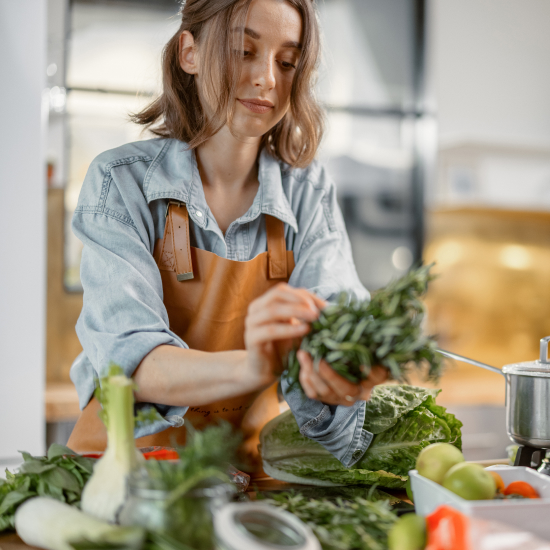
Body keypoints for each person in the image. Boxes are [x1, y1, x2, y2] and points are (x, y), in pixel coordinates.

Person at [67, 0, 387, 471]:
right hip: (128, 479)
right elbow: (129, 361)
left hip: (247, 476)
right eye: (243, 51)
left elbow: (337, 312)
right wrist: (255, 366)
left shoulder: (308, 191)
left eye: (287, 62)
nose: (268, 80)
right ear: (189, 54)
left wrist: (347, 362)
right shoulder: (120, 182)